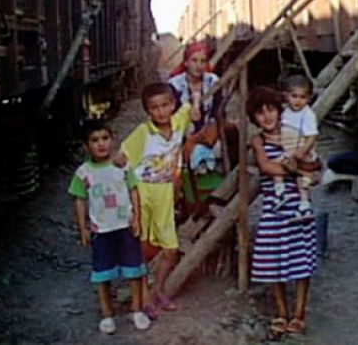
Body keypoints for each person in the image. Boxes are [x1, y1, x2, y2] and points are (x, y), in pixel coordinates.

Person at [118, 82, 197, 316]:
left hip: (165, 192)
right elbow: (120, 158)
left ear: (173, 105)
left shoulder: (178, 121)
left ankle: (158, 290)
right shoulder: (143, 132)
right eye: (155, 108)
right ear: (148, 111)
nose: (161, 111)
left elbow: (191, 106)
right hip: (143, 193)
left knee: (170, 249)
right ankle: (144, 297)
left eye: (165, 105)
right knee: (142, 247)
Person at [247, 86, 319, 338]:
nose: (267, 117)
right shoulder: (258, 141)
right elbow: (267, 167)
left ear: (280, 111)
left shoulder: (294, 133)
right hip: (273, 210)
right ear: (253, 117)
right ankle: (281, 312)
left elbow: (315, 167)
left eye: (271, 110)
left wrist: (305, 168)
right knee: (273, 262)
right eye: (260, 113)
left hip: (298, 209)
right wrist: (297, 168)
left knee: (301, 263)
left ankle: (299, 314)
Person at [68, 121, 151, 335]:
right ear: (86, 146)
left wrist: (137, 218)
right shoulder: (83, 172)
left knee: (134, 269)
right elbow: (79, 199)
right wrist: (83, 228)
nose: (101, 144)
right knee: (102, 273)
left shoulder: (122, 166)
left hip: (124, 226)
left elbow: (134, 190)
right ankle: (107, 314)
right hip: (101, 230)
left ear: (112, 140)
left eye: (105, 138)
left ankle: (136, 310)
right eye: (95, 141)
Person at [168, 42, 237, 215]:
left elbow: (218, 111)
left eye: (202, 61)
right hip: (182, 132)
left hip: (209, 131)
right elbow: (173, 116)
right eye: (194, 60)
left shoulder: (213, 81)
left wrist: (203, 134)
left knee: (230, 135)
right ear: (186, 62)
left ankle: (223, 192)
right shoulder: (175, 84)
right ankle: (189, 204)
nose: (199, 65)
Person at [272, 75, 320, 216]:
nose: (298, 101)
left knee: (275, 165)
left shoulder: (307, 114)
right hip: (289, 147)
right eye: (294, 96)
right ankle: (302, 203)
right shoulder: (286, 112)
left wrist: (301, 151)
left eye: (302, 97)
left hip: (300, 150)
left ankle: (280, 191)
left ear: (309, 98)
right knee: (299, 178)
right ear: (286, 95)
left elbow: (312, 136)